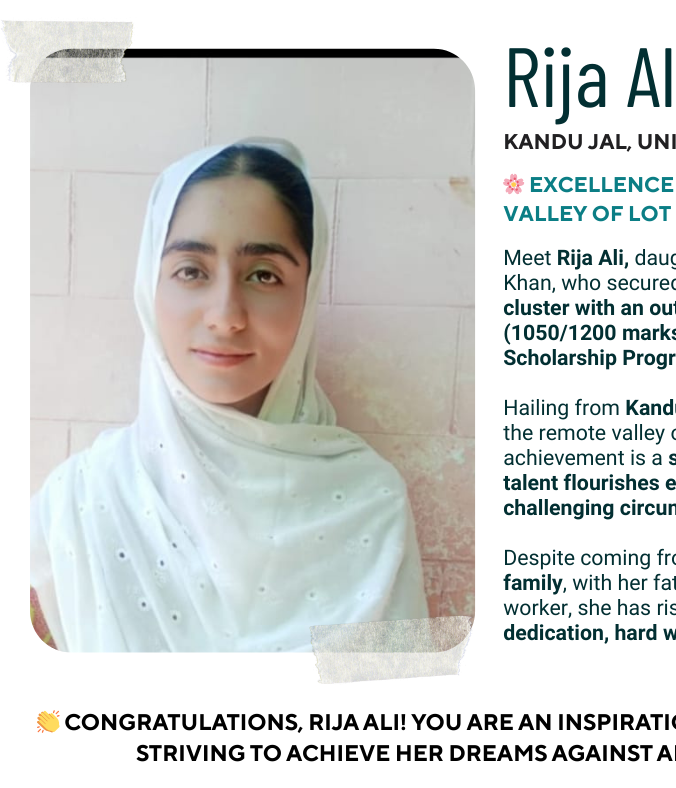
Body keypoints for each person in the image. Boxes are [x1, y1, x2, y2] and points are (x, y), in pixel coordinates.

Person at [30, 138, 429, 652]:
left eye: (264, 275)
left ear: (307, 294)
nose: (225, 314)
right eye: (191, 271)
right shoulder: (77, 504)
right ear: (150, 286)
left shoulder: (371, 501)